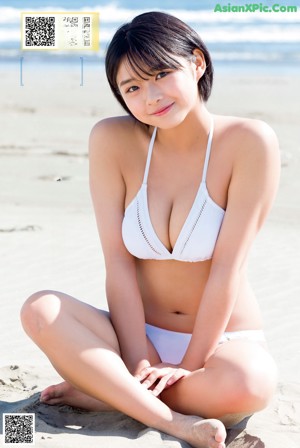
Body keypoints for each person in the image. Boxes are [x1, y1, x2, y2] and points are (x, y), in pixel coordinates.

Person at [20, 11, 280, 448]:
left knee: (251, 384)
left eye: (161, 73)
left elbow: (227, 271)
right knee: (40, 309)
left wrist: (190, 365)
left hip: (221, 344)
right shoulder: (112, 140)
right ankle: (175, 420)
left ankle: (106, 393)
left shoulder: (249, 141)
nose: (151, 96)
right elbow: (118, 264)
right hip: (134, 337)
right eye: (133, 88)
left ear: (197, 63)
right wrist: (139, 357)